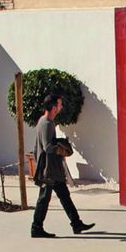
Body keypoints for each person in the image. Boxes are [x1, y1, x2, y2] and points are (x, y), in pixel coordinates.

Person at [29, 94, 94, 238]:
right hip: (49, 170)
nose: (61, 107)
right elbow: (47, 147)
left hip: (52, 169)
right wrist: (61, 146)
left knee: (64, 195)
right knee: (44, 199)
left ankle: (76, 224)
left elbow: (36, 147)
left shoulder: (43, 121)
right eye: (59, 104)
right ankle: (36, 228)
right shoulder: (46, 123)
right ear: (53, 107)